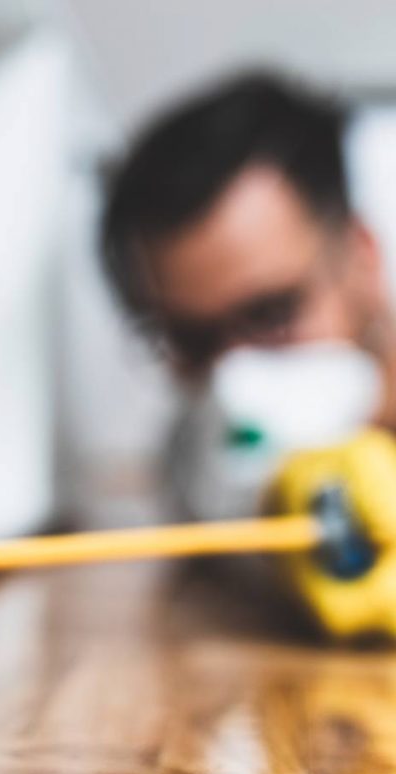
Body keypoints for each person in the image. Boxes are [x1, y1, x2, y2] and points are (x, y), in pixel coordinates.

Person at [100, 70, 396, 519]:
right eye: (193, 341)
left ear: (362, 255)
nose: (235, 379)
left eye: (272, 315)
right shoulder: (196, 476)